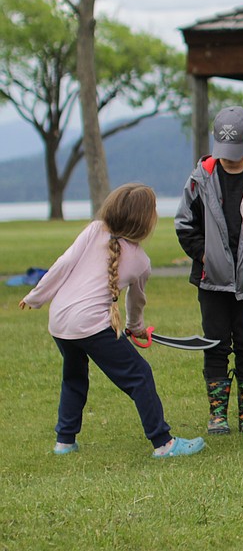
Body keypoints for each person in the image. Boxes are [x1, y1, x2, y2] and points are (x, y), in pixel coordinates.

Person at [20, 183, 206, 459]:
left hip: (60, 321)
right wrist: (135, 326)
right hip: (89, 324)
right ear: (146, 221)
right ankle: (163, 443)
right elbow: (136, 301)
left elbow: (63, 263)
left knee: (74, 378)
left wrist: (36, 297)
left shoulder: (95, 229)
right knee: (139, 376)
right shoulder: (141, 261)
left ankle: (64, 442)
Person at [175, 106, 243, 435]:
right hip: (212, 284)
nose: (229, 159)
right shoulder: (201, 179)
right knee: (215, 345)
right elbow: (185, 226)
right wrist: (204, 256)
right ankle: (217, 415)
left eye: (236, 152)